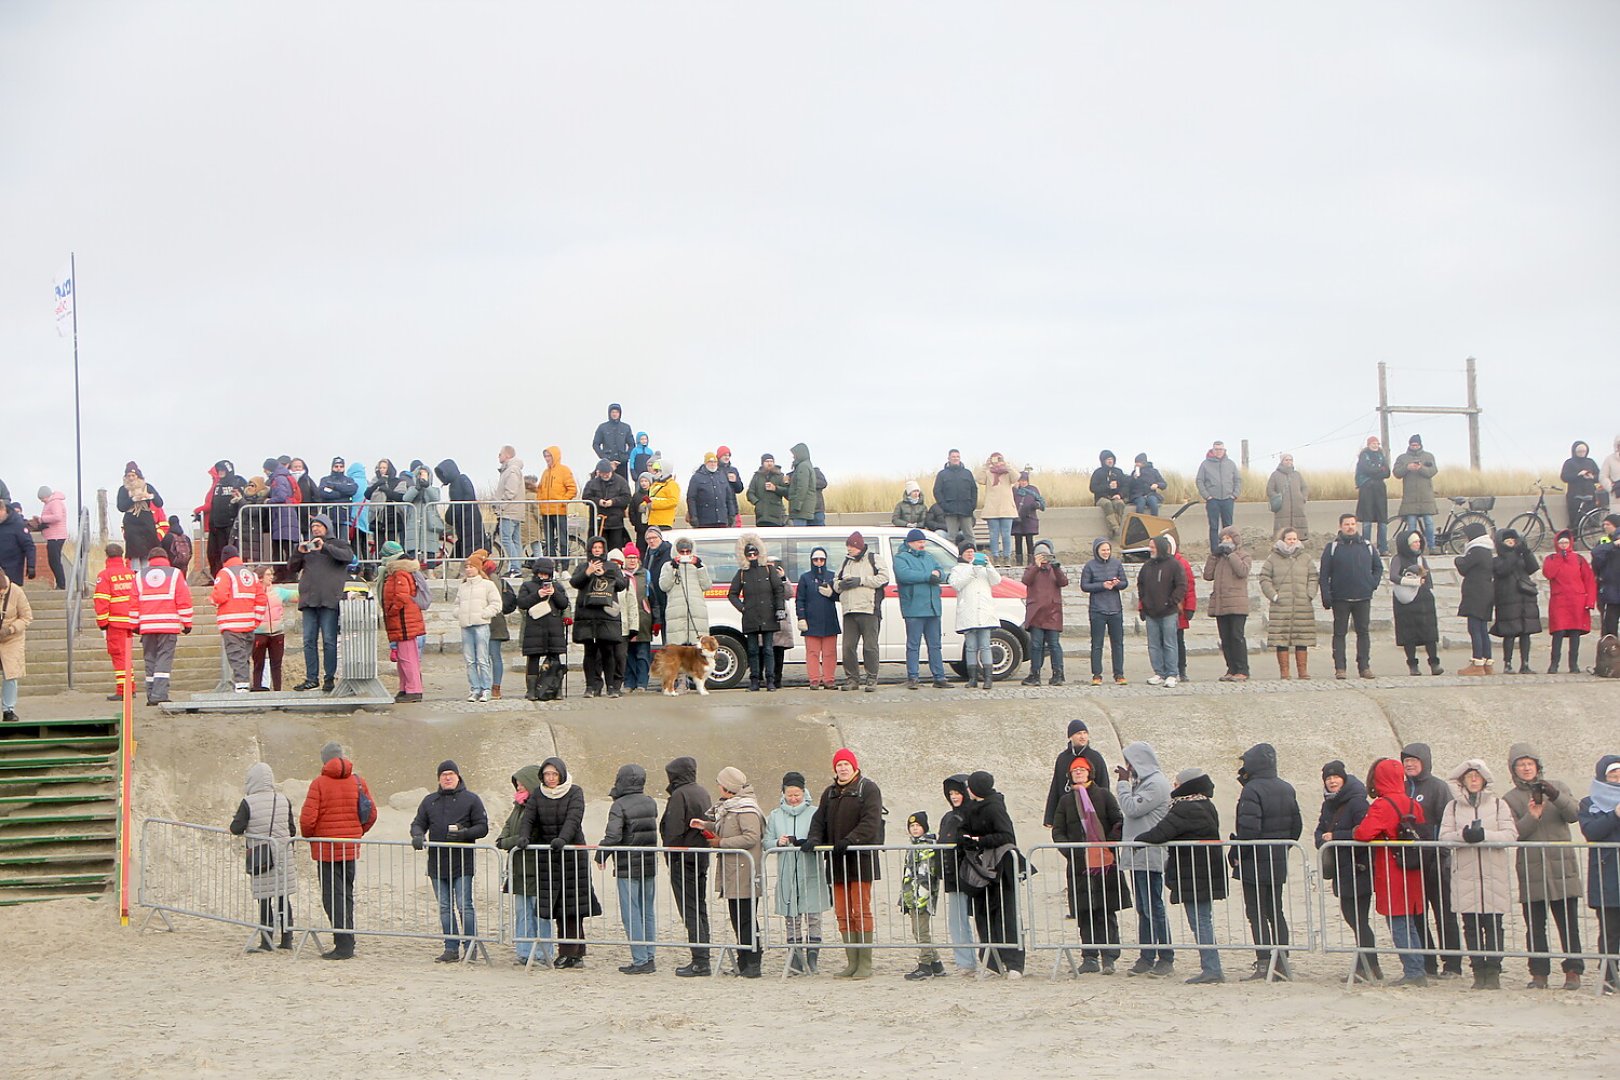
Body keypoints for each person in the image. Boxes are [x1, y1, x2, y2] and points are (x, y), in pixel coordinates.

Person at [1504, 744, 1585, 990]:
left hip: (1562, 866)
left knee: (1568, 923)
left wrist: (1554, 795)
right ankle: (1539, 973)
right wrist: (1533, 815)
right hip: (1532, 868)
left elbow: (1574, 814)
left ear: (1537, 766)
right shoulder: (1510, 798)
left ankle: (1573, 970)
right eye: (1521, 764)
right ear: (1514, 769)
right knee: (1535, 926)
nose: (1526, 768)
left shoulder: (1558, 786)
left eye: (1530, 763)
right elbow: (1514, 834)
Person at [1139, 767, 1228, 984]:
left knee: (1200, 921)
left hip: (1195, 874)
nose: (1173, 788)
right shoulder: (1205, 804)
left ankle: (1212, 968)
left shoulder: (1186, 808)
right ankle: (1211, 967)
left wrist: (1137, 840)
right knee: (1203, 920)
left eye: (1177, 784)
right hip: (1203, 872)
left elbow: (1161, 833)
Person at [805, 747, 884, 979]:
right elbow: (819, 819)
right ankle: (852, 961)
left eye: (845, 764)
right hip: (837, 860)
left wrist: (851, 840)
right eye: (839, 764)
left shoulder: (868, 788)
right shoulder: (829, 792)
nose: (842, 768)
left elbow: (871, 821)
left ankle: (865, 963)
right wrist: (814, 839)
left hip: (860, 859)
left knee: (861, 910)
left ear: (854, 766)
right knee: (842, 912)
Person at [1438, 761, 1515, 990]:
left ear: (1484, 779)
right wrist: (1464, 836)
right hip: (1466, 874)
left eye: (1477, 776)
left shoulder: (1499, 805)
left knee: (1493, 925)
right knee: (1470, 926)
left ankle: (1493, 970)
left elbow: (1510, 835)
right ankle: (1477, 971)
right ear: (1461, 780)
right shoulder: (1452, 807)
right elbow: (1443, 836)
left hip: (1493, 873)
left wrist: (1484, 835)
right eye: (1469, 776)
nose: (1473, 780)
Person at [1353, 757, 1430, 986]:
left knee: (1398, 923)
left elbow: (1364, 833)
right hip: (1412, 869)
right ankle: (1417, 967)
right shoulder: (1412, 803)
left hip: (1392, 870)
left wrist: (1359, 829)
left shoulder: (1382, 805)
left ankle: (1413, 971)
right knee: (1411, 923)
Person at [299, 741, 377, 960]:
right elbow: (371, 813)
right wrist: (357, 832)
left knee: (332, 897)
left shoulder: (319, 783)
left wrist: (311, 837)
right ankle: (348, 939)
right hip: (350, 847)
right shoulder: (358, 781)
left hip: (327, 850)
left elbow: (308, 819)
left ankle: (343, 944)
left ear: (324, 759)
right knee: (346, 895)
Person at [1051, 756, 1129, 975]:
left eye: (1082, 769)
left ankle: (1109, 957)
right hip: (1079, 864)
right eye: (1074, 770)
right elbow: (1058, 830)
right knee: (1085, 911)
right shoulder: (1066, 800)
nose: (1078, 772)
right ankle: (1089, 956)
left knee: (1106, 909)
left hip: (1105, 862)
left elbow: (1117, 821)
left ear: (1090, 772)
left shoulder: (1103, 795)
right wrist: (1071, 851)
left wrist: (1109, 844)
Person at [517, 757, 597, 969]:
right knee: (559, 905)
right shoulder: (538, 794)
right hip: (550, 855)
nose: (551, 778)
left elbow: (574, 818)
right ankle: (575, 952)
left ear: (561, 774)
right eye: (547, 774)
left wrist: (563, 838)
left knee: (572, 906)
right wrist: (524, 836)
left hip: (571, 854)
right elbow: (529, 819)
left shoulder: (575, 791)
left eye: (554, 774)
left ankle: (569, 953)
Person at [1233, 743, 1302, 980]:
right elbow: (1297, 826)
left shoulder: (1252, 790)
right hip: (1278, 857)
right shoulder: (1286, 787)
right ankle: (1282, 962)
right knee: (1275, 911)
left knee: (1256, 911)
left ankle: (1264, 963)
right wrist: (1282, 847)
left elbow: (1249, 829)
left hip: (1255, 859)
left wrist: (1237, 853)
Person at [410, 760, 489, 963]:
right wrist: (418, 835)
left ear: (458, 776)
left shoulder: (471, 799)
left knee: (465, 906)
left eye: (450, 774)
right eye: (443, 774)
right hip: (437, 864)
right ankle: (451, 948)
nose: (447, 778)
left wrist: (465, 833)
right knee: (445, 907)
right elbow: (418, 823)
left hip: (462, 862)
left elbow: (482, 827)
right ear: (438, 778)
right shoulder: (430, 801)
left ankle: (470, 947)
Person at [1402, 742, 1464, 978]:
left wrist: (1442, 853)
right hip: (1411, 862)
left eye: (1414, 760)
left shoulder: (1438, 787)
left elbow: (1448, 821)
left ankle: (1452, 964)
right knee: (1417, 915)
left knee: (1444, 913)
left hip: (1437, 859)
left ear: (1424, 761)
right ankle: (1427, 963)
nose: (1409, 764)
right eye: (1406, 760)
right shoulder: (1402, 788)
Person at [698, 767, 765, 978]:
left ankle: (753, 961)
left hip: (745, 871)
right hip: (732, 870)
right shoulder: (730, 808)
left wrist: (721, 843)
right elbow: (728, 828)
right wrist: (706, 825)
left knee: (746, 918)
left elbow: (751, 837)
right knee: (737, 917)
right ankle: (743, 960)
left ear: (727, 786)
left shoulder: (746, 809)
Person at [1315, 761, 1378, 982]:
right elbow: (1320, 830)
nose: (1332, 781)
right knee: (1352, 917)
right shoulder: (1328, 804)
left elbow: (1365, 832)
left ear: (1344, 778)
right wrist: (1321, 840)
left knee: (1358, 919)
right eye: (1328, 778)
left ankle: (1368, 966)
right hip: (1341, 869)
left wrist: (1336, 837)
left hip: (1359, 867)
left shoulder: (1358, 801)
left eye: (1336, 777)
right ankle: (1369, 966)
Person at [960, 770, 1025, 978]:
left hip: (1001, 868)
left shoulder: (995, 806)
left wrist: (980, 841)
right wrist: (965, 838)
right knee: (983, 915)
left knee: (1006, 914)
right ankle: (991, 963)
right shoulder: (971, 807)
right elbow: (964, 828)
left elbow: (1006, 835)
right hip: (980, 869)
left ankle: (1014, 964)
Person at [595, 763, 659, 974]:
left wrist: (601, 854)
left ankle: (640, 959)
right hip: (648, 863)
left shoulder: (619, 805)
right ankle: (649, 956)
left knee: (631, 913)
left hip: (628, 865)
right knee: (647, 910)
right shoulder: (650, 803)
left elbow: (613, 836)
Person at [1115, 741, 1173, 976]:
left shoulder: (1156, 784)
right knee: (1143, 907)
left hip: (1150, 854)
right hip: (1138, 855)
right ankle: (1147, 955)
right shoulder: (1144, 783)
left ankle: (1165, 956)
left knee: (1154, 906)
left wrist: (1122, 783)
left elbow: (1131, 808)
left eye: (1130, 761)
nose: (1128, 766)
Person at [229, 761, 296, 952]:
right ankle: (287, 938)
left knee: (265, 897)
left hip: (262, 855)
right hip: (283, 855)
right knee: (283, 896)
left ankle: (266, 940)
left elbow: (236, 828)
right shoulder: (283, 799)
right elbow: (292, 829)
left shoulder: (248, 802)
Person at [768, 771, 830, 975]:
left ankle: (813, 956)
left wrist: (809, 842)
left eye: (797, 794)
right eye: (790, 794)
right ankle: (794, 956)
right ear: (783, 793)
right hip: (787, 871)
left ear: (804, 792)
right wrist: (779, 842)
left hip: (810, 869)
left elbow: (822, 835)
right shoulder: (775, 815)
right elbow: (766, 840)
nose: (793, 798)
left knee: (813, 914)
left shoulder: (815, 812)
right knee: (791, 915)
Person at [286, 514, 353, 693]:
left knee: (329, 640)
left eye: (319, 525)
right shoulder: (307, 547)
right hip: (309, 600)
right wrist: (298, 552)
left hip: (329, 599)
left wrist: (325, 547)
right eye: (313, 526)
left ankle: (329, 678)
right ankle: (311, 678)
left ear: (327, 527)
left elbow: (348, 557)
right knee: (308, 640)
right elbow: (291, 568)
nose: (315, 528)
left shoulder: (338, 544)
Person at [661, 757, 715, 977]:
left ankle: (700, 960)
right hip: (699, 856)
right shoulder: (701, 791)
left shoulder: (679, 795)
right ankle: (703, 955)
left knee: (690, 909)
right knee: (699, 907)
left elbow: (673, 831)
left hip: (682, 858)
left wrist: (669, 855)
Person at [1319, 512, 1382, 680]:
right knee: (1339, 634)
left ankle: (1364, 667)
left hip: (1363, 597)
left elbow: (1378, 568)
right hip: (1340, 598)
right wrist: (1326, 595)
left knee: (1363, 633)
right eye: (1347, 524)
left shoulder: (1367, 546)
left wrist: (1372, 584)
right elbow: (1324, 574)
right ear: (1340, 527)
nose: (1350, 527)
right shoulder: (1332, 548)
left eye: (1353, 524)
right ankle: (1340, 668)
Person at [495, 765, 547, 966]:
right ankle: (524, 952)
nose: (518, 787)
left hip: (536, 868)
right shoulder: (517, 808)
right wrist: (509, 841)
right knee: (522, 913)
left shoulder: (539, 808)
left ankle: (542, 953)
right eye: (517, 783)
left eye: (522, 784)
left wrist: (510, 842)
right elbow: (504, 834)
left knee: (539, 913)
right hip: (518, 869)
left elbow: (531, 835)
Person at [1577, 755, 1620, 996]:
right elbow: (1591, 831)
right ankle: (1609, 978)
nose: (1616, 779)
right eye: (1612, 775)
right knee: (1610, 930)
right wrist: (1614, 815)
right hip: (1607, 877)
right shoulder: (1589, 803)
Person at [570, 537, 626, 698]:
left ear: (604, 549)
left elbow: (621, 585)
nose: (597, 550)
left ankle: (611, 687)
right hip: (587, 615)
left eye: (600, 547)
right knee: (589, 652)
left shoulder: (612, 566)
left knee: (608, 651)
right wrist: (588, 572)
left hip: (606, 615)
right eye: (594, 547)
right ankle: (590, 686)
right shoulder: (582, 566)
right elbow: (575, 582)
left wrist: (606, 575)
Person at [135, 547, 192, 705]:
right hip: (168, 625)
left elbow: (133, 602)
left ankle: (151, 693)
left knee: (150, 659)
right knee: (163, 659)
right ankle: (159, 695)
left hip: (147, 626)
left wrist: (134, 624)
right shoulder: (175, 574)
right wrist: (187, 622)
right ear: (166, 558)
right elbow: (183, 599)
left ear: (149, 559)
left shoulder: (139, 576)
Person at [1259, 527, 1317, 680]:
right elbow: (1264, 578)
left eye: (1294, 539)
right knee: (1281, 639)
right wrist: (1274, 596)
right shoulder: (1272, 558)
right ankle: (1284, 671)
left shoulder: (1306, 558)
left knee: (1302, 638)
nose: (1292, 541)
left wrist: (1309, 595)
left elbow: (1313, 577)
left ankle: (1302, 671)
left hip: (1301, 604)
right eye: (1289, 539)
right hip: (1281, 605)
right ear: (1282, 540)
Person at [727, 535, 784, 692]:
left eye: (754, 554)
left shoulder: (768, 569)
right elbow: (732, 594)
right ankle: (754, 680)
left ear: (759, 553)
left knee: (768, 649)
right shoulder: (742, 573)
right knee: (752, 650)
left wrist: (780, 609)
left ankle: (770, 680)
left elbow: (779, 589)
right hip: (750, 616)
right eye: (749, 554)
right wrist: (742, 607)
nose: (752, 557)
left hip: (768, 614)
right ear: (744, 556)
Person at [892, 530, 946, 691]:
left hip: (932, 607)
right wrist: (928, 576)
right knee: (913, 645)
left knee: (935, 645)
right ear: (910, 543)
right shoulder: (901, 558)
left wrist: (938, 574)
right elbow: (904, 575)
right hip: (914, 608)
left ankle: (939, 676)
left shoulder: (929, 557)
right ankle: (913, 677)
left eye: (923, 542)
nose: (922, 544)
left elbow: (941, 571)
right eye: (918, 542)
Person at [834, 532, 887, 692]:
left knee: (870, 647)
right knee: (848, 647)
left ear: (858, 546)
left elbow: (883, 578)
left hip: (869, 609)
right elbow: (835, 583)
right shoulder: (845, 562)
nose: (849, 549)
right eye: (848, 546)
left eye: (851, 546)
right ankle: (852, 680)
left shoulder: (874, 559)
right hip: (849, 610)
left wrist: (861, 581)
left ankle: (871, 679)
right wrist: (842, 585)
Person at [211, 545, 266, 693]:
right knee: (244, 658)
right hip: (248, 625)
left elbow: (220, 595)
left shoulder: (225, 573)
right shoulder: (251, 575)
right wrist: (256, 620)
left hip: (231, 624)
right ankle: (243, 686)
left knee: (237, 658)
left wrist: (212, 598)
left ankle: (242, 689)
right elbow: (261, 600)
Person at [938, 774, 978, 975]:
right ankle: (965, 962)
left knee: (980, 918)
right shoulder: (948, 817)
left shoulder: (974, 813)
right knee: (957, 920)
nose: (954, 797)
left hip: (974, 874)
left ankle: (991, 959)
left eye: (957, 792)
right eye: (951, 793)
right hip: (954, 875)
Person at [1388, 528, 1443, 676]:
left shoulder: (1420, 558)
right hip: (1406, 601)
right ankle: (1413, 664)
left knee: (1429, 633)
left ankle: (1434, 662)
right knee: (1408, 634)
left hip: (1423, 599)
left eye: (1419, 541)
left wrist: (1428, 588)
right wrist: (1411, 581)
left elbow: (1427, 577)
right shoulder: (1398, 559)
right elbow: (1393, 576)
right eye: (1414, 542)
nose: (1417, 545)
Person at [950, 541, 1001, 691]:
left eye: (972, 552)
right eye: (967, 552)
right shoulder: (957, 569)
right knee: (971, 647)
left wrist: (989, 566)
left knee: (985, 646)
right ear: (961, 554)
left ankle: (988, 678)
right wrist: (972, 570)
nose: (970, 554)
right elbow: (956, 585)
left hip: (984, 612)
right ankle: (972, 678)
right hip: (968, 612)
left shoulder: (984, 568)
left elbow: (996, 581)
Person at [1543, 530, 1596, 674]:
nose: (1563, 545)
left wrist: (1590, 601)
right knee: (1558, 633)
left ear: (1570, 543)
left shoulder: (1579, 559)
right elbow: (1549, 573)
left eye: (1566, 542)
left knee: (1575, 633)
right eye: (1561, 543)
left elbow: (1589, 580)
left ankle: (1574, 664)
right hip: (1559, 601)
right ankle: (1554, 664)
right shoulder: (1551, 559)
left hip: (1577, 601)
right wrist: (1561, 558)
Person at [1203, 525, 1252, 682]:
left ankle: (1242, 669)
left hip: (1237, 604)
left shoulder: (1243, 555)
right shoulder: (1219, 559)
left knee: (1237, 636)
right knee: (1225, 638)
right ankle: (1231, 668)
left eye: (1228, 538)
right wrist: (1213, 556)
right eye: (1223, 539)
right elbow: (1207, 575)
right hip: (1221, 604)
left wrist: (1231, 555)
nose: (1225, 541)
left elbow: (1242, 571)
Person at [516, 558, 569, 701]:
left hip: (554, 629)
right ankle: (532, 690)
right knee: (533, 658)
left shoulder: (557, 586)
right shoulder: (527, 585)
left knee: (555, 659)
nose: (543, 577)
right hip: (535, 629)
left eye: (546, 574)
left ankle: (556, 688)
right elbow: (522, 603)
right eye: (541, 573)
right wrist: (538, 595)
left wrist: (554, 593)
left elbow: (564, 604)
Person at [1490, 528, 1541, 675]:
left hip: (1525, 599)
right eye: (1507, 541)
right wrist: (1514, 554)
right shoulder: (1497, 560)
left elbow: (1533, 568)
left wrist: (1526, 552)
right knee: (1510, 633)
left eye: (1513, 540)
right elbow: (1503, 570)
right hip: (1508, 600)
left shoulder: (1520, 556)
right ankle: (1508, 663)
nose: (1511, 543)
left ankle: (1525, 663)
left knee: (1526, 633)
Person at [378, 542, 425, 703]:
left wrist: (391, 610)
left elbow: (401, 596)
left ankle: (413, 690)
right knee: (404, 658)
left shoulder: (399, 573)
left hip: (405, 621)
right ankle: (405, 688)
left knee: (407, 658)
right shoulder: (399, 571)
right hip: (403, 621)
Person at [1137, 535, 1186, 688]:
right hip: (1151, 612)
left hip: (1169, 612)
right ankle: (1159, 672)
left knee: (1169, 643)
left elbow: (1181, 585)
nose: (1150, 549)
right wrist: (1144, 602)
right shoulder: (1147, 566)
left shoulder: (1174, 565)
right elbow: (1141, 584)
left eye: (1152, 547)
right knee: (1153, 644)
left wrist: (1172, 601)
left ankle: (1172, 673)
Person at [1042, 720, 1110, 829]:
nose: (1082, 736)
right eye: (1078, 733)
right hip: (1067, 809)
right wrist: (1049, 817)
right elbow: (1056, 786)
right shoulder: (1063, 758)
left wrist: (1104, 809)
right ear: (1070, 737)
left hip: (1092, 809)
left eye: (1085, 733)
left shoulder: (1095, 757)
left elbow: (1104, 783)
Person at [92, 543, 138, 702]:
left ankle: (122, 690)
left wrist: (102, 622)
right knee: (126, 655)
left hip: (115, 623)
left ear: (107, 556)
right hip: (130, 621)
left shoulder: (104, 575)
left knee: (118, 655)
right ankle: (130, 687)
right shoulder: (131, 574)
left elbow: (102, 601)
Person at [899, 811, 943, 980]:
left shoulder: (928, 846)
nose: (915, 829)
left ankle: (925, 965)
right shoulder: (913, 845)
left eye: (918, 826)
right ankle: (936, 964)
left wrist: (922, 896)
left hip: (922, 895)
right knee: (917, 930)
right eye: (912, 826)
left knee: (921, 930)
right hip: (911, 894)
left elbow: (927, 874)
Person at [1080, 538, 1128, 686]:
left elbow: (1125, 583)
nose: (1106, 552)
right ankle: (1097, 674)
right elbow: (1085, 586)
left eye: (1108, 550)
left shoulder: (1117, 564)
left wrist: (1117, 584)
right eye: (1103, 550)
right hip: (1097, 610)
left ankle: (1119, 674)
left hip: (1115, 609)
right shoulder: (1090, 566)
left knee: (1118, 643)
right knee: (1097, 644)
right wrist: (1102, 585)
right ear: (1097, 551)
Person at [1021, 539, 1067, 686]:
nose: (1044, 558)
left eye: (1046, 555)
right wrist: (1036, 565)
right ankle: (1035, 674)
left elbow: (1063, 582)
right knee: (1036, 645)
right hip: (1036, 614)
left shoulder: (1054, 569)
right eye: (1041, 555)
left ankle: (1058, 674)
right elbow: (1026, 580)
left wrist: (1057, 567)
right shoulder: (1031, 569)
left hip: (1052, 612)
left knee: (1054, 644)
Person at [796, 545, 841, 690]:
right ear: (811, 561)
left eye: (822, 559)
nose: (819, 562)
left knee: (830, 653)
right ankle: (814, 679)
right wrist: (801, 617)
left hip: (829, 620)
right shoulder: (805, 578)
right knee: (812, 653)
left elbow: (841, 596)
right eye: (816, 560)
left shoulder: (832, 576)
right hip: (811, 620)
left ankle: (829, 679)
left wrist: (832, 594)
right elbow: (800, 599)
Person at [1455, 521, 1497, 675]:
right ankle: (1487, 662)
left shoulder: (1477, 550)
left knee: (1475, 628)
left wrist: (1458, 560)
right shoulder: (1486, 550)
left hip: (1476, 593)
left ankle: (1477, 663)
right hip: (1486, 592)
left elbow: (1464, 567)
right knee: (1482, 628)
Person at [197, 461, 246, 578]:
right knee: (213, 553)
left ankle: (229, 576)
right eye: (219, 470)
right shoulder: (217, 486)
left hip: (229, 526)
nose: (221, 472)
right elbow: (212, 504)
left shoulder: (237, 483)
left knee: (228, 553)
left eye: (223, 470)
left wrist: (237, 501)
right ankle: (216, 576)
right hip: (215, 525)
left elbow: (241, 502)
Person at [659, 537, 712, 647]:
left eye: (687, 551)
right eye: (682, 552)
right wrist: (673, 568)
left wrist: (699, 567)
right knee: (677, 652)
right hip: (676, 613)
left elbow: (707, 586)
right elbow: (664, 586)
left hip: (696, 613)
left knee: (697, 652)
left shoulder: (699, 566)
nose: (685, 554)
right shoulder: (667, 566)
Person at [1394, 434, 1439, 553]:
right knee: (1411, 524)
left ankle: (1432, 546)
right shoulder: (1402, 458)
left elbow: (1432, 471)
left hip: (1426, 496)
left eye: (1416, 444)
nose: (1414, 447)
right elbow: (1396, 473)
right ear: (1409, 445)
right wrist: (1407, 467)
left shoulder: (1428, 456)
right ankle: (1411, 548)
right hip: (1410, 498)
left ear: (1420, 444)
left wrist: (1420, 468)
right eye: (1412, 444)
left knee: (1429, 522)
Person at [117, 462, 164, 571]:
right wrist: (132, 499)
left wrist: (149, 496)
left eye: (133, 475)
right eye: (128, 476)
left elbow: (160, 503)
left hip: (146, 523)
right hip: (131, 524)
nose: (131, 478)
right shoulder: (123, 490)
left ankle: (146, 573)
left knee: (147, 553)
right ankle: (136, 574)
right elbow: (121, 507)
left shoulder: (147, 487)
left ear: (138, 475)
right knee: (135, 553)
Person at [1195, 441, 1241, 554]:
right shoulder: (1205, 464)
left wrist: (1234, 494)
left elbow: (1237, 480)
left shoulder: (1230, 463)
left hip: (1228, 499)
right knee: (1214, 526)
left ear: (1224, 450)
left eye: (1221, 449)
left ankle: (1229, 549)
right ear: (1212, 450)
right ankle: (1215, 551)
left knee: (1228, 527)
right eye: (1216, 449)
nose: (1219, 451)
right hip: (1213, 500)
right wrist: (1207, 496)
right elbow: (1199, 480)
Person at [253, 566, 293, 692]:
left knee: (276, 665)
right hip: (258, 633)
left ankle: (278, 691)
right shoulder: (252, 594)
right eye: (268, 575)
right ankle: (257, 690)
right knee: (258, 665)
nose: (271, 577)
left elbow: (297, 596)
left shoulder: (278, 592)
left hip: (277, 633)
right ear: (260, 578)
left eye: (271, 574)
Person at [619, 544, 653, 693]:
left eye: (634, 557)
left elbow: (653, 598)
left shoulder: (645, 574)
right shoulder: (620, 575)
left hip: (643, 619)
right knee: (627, 654)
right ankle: (629, 682)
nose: (632, 561)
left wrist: (656, 619)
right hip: (626, 620)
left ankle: (642, 683)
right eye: (629, 557)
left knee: (642, 653)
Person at [0, 568, 31, 722]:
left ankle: (9, 710)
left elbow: (27, 617)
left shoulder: (16, 592)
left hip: (12, 638)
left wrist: (10, 629)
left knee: (10, 675)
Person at [536, 446, 578, 558]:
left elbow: (572, 489)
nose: (547, 458)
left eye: (549, 456)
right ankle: (551, 566)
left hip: (559, 511)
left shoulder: (564, 470)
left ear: (555, 456)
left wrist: (563, 501)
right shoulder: (545, 473)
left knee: (563, 540)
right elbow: (539, 489)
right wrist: (540, 502)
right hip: (546, 511)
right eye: (545, 456)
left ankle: (564, 566)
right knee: (549, 542)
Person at [581, 460, 632, 554]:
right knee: (598, 551)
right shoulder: (592, 483)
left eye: (607, 473)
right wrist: (598, 501)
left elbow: (627, 497)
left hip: (616, 524)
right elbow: (585, 497)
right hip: (597, 523)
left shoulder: (621, 481)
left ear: (611, 471)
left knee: (615, 551)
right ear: (599, 472)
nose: (605, 475)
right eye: (603, 473)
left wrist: (613, 502)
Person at [933, 449, 978, 550]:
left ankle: (974, 558)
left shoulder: (967, 473)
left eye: (957, 456)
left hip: (966, 510)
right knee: (951, 537)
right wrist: (944, 506)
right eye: (953, 457)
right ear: (949, 458)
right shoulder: (942, 474)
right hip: (950, 512)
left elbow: (974, 490)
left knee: (969, 536)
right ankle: (951, 557)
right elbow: (937, 491)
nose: (955, 458)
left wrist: (972, 506)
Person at [1355, 436, 1392, 555]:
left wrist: (1377, 471)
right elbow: (1366, 469)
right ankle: (1366, 546)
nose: (1375, 445)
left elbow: (1387, 472)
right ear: (1368, 444)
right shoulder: (1364, 455)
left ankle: (1383, 548)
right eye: (1373, 443)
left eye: (1377, 443)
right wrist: (1378, 470)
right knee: (1367, 520)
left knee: (1382, 520)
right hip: (1367, 489)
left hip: (1380, 490)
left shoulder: (1382, 455)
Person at [487, 561, 518, 700]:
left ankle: (495, 687)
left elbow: (496, 601)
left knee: (494, 656)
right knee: (485, 657)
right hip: (483, 621)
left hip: (494, 622)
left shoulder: (492, 578)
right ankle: (485, 686)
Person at [981, 452, 1018, 565]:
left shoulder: (1007, 473)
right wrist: (986, 465)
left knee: (1006, 534)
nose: (996, 462)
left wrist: (1006, 465)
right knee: (993, 534)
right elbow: (979, 479)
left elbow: (1016, 477)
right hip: (992, 509)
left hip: (1006, 508)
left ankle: (1007, 557)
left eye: (999, 459)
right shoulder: (988, 472)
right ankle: (995, 557)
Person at [687, 452, 737, 529]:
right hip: (704, 520)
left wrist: (732, 514)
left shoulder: (722, 476)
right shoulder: (696, 477)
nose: (713, 464)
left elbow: (729, 498)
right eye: (710, 462)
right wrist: (693, 516)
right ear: (705, 463)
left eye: (715, 462)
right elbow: (691, 498)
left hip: (722, 520)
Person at [31, 487, 68, 589]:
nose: (42, 501)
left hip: (56, 536)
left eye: (42, 498)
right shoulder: (50, 503)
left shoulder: (55, 503)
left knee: (54, 561)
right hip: (53, 535)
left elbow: (57, 517)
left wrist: (41, 519)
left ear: (46, 495)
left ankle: (61, 584)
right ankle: (60, 584)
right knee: (53, 561)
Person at [1266, 454, 1309, 540]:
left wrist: (1303, 498)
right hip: (1282, 507)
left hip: (1297, 506)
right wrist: (1277, 498)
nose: (1289, 462)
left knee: (1299, 524)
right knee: (1282, 526)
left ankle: (1299, 538)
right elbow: (1269, 490)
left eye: (1290, 460)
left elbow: (1304, 487)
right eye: (1286, 460)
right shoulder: (1275, 475)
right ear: (1282, 462)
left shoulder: (1297, 475)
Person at [1089, 450, 1128, 544]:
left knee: (1120, 504)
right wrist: (1107, 486)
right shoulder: (1098, 472)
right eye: (1108, 459)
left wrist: (1120, 495)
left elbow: (1125, 486)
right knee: (1107, 504)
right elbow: (1092, 488)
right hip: (1101, 498)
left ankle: (1112, 530)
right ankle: (1116, 528)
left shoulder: (1118, 472)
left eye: (1111, 459)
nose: (1110, 461)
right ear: (1103, 461)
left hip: (1115, 497)